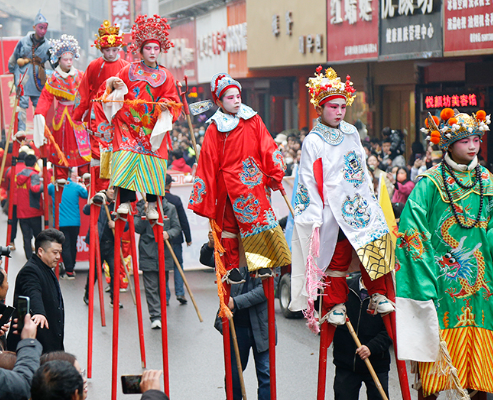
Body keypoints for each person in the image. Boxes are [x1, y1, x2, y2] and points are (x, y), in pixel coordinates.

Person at [396, 108, 493, 397]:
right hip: (438, 282)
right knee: (432, 379)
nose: (473, 145)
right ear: (449, 145)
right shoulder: (430, 183)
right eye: (466, 141)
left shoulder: (487, 181)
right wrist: (425, 277)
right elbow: (411, 231)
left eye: (476, 139)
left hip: (483, 286)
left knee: (480, 374)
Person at [289, 66, 394, 327]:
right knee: (337, 253)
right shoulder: (312, 140)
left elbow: (360, 167)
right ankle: (335, 302)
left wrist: (368, 196)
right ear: (320, 108)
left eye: (342, 107)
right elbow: (307, 181)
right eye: (333, 107)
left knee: (374, 239)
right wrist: (314, 214)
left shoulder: (351, 132)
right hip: (330, 206)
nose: (338, 112)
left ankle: (378, 292)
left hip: (358, 199)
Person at [188, 73, 291, 283]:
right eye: (230, 97)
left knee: (259, 221)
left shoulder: (253, 119)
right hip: (227, 186)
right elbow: (208, 161)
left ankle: (262, 264)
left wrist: (275, 171)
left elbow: (267, 146)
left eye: (238, 96)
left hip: (253, 182)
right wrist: (206, 192)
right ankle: (231, 267)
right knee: (229, 228)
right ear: (218, 101)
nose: (236, 101)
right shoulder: (214, 127)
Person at [100, 14, 181, 219]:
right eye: (148, 48)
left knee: (154, 161)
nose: (152, 52)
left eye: (156, 48)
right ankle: (126, 201)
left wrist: (166, 107)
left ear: (160, 50)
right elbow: (109, 88)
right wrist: (115, 86)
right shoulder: (129, 69)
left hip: (151, 127)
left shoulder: (166, 76)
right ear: (141, 50)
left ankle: (152, 204)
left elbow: (173, 100)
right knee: (127, 157)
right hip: (130, 125)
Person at [199, 234, 274, 400]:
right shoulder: (230, 250)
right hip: (236, 326)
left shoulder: (266, 249)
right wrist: (210, 245)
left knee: (266, 376)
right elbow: (207, 260)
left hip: (262, 326)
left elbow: (267, 289)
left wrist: (235, 302)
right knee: (233, 376)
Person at [72, 20, 129, 198]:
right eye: (107, 50)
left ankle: (118, 186)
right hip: (98, 113)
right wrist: (78, 115)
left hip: (120, 113)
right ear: (101, 50)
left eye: (114, 50)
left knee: (119, 148)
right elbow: (83, 91)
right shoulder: (94, 66)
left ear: (119, 49)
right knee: (99, 149)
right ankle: (101, 187)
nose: (111, 54)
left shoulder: (126, 67)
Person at [34, 34, 90, 184]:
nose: (69, 62)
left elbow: (88, 93)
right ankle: (60, 173)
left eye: (71, 59)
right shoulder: (54, 78)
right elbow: (45, 98)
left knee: (82, 142)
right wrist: (40, 114)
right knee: (61, 144)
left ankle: (85, 171)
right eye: (66, 59)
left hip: (77, 114)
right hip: (62, 116)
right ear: (59, 59)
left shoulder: (80, 76)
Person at [333, 276, 392, 400]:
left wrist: (371, 348)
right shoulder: (345, 287)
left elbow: (391, 330)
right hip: (346, 364)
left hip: (376, 364)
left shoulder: (388, 292)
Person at [7, 229, 65, 354]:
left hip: (50, 345)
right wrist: (39, 312)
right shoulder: (30, 271)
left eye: (60, 252)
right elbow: (33, 291)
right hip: (35, 348)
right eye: (55, 252)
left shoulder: (46, 267)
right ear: (40, 251)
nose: (58, 257)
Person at [134, 197, 181, 329]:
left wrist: (168, 234)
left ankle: (162, 313)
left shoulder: (169, 208)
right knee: (150, 287)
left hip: (164, 252)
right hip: (147, 251)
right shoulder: (141, 206)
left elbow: (177, 228)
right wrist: (144, 213)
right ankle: (155, 316)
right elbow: (137, 228)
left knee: (162, 285)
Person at [8, 11, 51, 133]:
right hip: (24, 74)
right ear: (34, 27)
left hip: (39, 77)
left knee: (39, 105)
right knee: (23, 102)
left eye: (45, 28)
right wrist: (12, 70)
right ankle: (21, 129)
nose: (43, 31)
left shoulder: (48, 45)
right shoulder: (23, 41)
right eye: (40, 27)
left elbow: (54, 62)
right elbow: (14, 57)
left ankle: (40, 131)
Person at [82, 186, 124, 307]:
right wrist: (94, 200)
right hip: (98, 243)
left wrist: (116, 224)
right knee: (94, 272)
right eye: (111, 189)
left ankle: (114, 299)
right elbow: (86, 210)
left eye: (115, 190)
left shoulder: (120, 206)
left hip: (112, 245)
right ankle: (88, 295)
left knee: (115, 273)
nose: (112, 192)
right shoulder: (99, 202)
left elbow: (126, 226)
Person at [47, 169, 88, 279]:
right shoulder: (76, 187)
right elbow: (87, 195)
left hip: (61, 223)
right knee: (73, 246)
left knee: (65, 246)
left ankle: (69, 270)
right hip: (75, 222)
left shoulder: (53, 187)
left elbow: (45, 190)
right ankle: (71, 269)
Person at [164, 174, 191, 304]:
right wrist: (188, 237)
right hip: (175, 238)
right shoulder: (175, 199)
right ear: (169, 184)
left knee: (163, 268)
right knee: (178, 265)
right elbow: (183, 220)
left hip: (162, 238)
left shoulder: (157, 199)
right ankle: (180, 293)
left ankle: (165, 297)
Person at [16, 154, 44, 259]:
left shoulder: (19, 175)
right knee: (38, 237)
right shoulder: (34, 175)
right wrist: (45, 186)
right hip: (33, 211)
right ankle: (38, 258)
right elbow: (35, 189)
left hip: (21, 211)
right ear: (34, 163)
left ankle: (29, 259)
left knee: (26, 238)